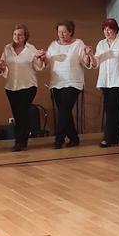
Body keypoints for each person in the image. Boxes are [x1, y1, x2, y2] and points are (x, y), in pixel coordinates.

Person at [38, 20, 94, 149]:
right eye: (59, 32)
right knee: (65, 112)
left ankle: (59, 139)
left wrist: (87, 55)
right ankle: (74, 138)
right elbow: (47, 61)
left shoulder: (78, 44)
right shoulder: (53, 45)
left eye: (64, 32)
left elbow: (86, 62)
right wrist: (42, 56)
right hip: (57, 82)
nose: (61, 34)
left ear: (70, 32)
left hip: (73, 82)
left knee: (64, 111)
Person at [1, 24, 44, 152]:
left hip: (28, 86)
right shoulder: (7, 48)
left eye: (20, 34)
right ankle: (21, 140)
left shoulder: (31, 49)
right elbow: (3, 66)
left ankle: (20, 141)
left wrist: (40, 58)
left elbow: (38, 67)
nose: (17, 37)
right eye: (15, 34)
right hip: (11, 86)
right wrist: (1, 66)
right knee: (17, 114)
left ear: (25, 36)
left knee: (21, 112)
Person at [90, 18, 119, 147]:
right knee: (111, 110)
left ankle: (107, 138)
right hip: (105, 81)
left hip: (117, 80)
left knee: (112, 109)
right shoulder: (101, 44)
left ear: (115, 30)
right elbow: (96, 64)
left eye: (110, 29)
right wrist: (90, 55)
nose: (107, 32)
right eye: (105, 29)